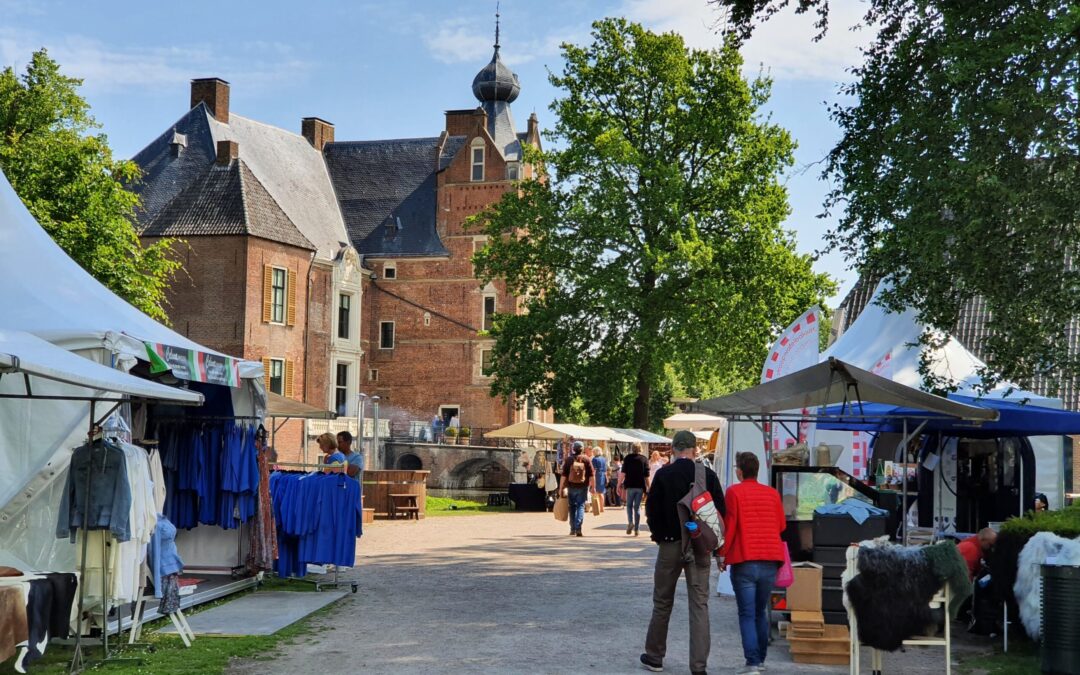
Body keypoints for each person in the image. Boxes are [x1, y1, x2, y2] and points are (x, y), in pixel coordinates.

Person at [640, 431, 726, 675]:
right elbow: (720, 512)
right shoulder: (708, 475)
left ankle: (655, 657)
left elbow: (652, 511)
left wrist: (659, 535)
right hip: (699, 546)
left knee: (662, 602)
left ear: (674, 448)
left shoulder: (664, 474)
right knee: (699, 604)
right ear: (694, 449)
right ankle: (698, 666)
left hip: (670, 544)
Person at [720, 451, 786, 675]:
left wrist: (722, 555)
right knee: (760, 612)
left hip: (745, 559)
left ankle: (752, 663)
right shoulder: (772, 494)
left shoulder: (734, 492)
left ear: (739, 470)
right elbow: (781, 526)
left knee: (747, 614)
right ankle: (761, 660)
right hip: (770, 559)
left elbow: (731, 527)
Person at [559, 441, 593, 536]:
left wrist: (561, 487)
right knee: (581, 506)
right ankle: (578, 528)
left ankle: (572, 529)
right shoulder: (586, 459)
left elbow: (564, 475)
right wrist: (593, 487)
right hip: (583, 486)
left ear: (573, 449)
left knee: (572, 507)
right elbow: (591, 475)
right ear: (582, 449)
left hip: (571, 486)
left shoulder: (569, 459)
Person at [621, 444, 650, 536]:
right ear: (640, 449)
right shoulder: (644, 459)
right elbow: (647, 475)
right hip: (640, 486)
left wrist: (619, 484)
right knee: (637, 507)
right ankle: (637, 530)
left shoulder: (627, 458)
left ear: (632, 449)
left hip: (630, 485)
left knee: (629, 506)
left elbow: (623, 472)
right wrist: (649, 486)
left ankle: (630, 522)